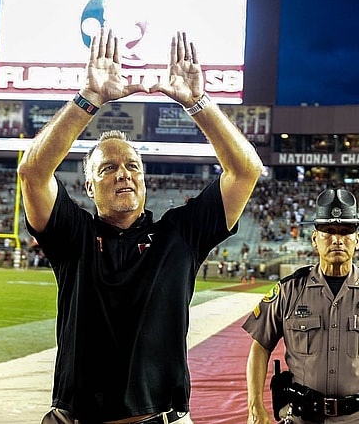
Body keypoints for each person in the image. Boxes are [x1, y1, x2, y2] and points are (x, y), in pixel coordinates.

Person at [17, 28, 263, 423]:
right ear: (88, 184)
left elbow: (246, 170)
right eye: (109, 168)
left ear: (145, 180)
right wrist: (89, 98)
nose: (124, 174)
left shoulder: (179, 235)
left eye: (133, 166)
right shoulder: (73, 236)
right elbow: (32, 172)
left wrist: (198, 102)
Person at [243, 188, 359, 424]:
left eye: (346, 232)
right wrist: (255, 407)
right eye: (328, 231)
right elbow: (260, 346)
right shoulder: (288, 290)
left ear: (357, 240)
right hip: (301, 418)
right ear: (315, 238)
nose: (337, 239)